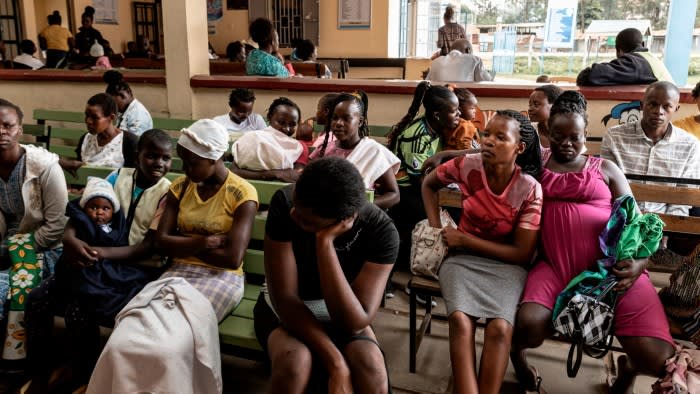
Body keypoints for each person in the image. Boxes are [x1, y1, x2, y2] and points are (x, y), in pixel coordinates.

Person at [511, 91, 674, 394]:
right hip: (555, 267)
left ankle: (628, 370)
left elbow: (639, 224)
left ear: (586, 133)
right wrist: (445, 157)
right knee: (529, 325)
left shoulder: (606, 170)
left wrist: (639, 263)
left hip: (612, 273)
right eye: (558, 135)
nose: (566, 143)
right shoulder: (536, 163)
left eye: (575, 136)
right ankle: (517, 357)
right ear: (548, 131)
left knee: (656, 357)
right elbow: (488, 153)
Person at [88, 119, 258, 393]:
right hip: (176, 273)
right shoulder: (180, 187)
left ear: (215, 158)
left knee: (169, 347)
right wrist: (203, 242)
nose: (185, 169)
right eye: (183, 161)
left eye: (192, 162)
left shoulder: (241, 193)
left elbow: (231, 259)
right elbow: (161, 242)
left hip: (220, 279)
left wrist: (182, 242)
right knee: (124, 338)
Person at [24, 129, 173, 392]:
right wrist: (70, 239)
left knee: (79, 308)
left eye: (165, 158)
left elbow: (149, 247)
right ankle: (40, 370)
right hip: (96, 262)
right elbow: (83, 212)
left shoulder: (168, 193)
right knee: (38, 299)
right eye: (151, 156)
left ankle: (85, 376)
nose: (158, 163)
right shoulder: (118, 177)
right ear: (137, 155)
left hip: (135, 271)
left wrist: (96, 252)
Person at [253, 157, 399, 394]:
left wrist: (324, 244)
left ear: (343, 220)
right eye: (296, 209)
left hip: (342, 309)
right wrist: (337, 364)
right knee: (295, 363)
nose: (294, 216)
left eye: (307, 221)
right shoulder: (286, 202)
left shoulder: (382, 232)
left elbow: (354, 322)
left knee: (372, 370)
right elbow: (286, 298)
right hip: (285, 307)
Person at [422, 110, 543, 394]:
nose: (488, 141)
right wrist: (435, 228)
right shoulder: (467, 165)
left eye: (500, 137)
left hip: (507, 265)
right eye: (486, 134)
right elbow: (429, 184)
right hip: (461, 262)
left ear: (519, 147)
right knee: (460, 321)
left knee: (500, 328)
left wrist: (465, 240)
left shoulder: (529, 189)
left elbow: (521, 254)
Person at [0, 99, 68, 367]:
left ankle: (15, 363)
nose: (1, 132)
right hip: (5, 244)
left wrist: (11, 250)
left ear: (19, 129)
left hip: (44, 247)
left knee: (5, 287)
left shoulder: (44, 168)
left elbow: (57, 226)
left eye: (8, 125)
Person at [386, 81, 462, 270]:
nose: (459, 114)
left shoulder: (436, 129)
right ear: (437, 115)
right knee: (436, 217)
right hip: (404, 190)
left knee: (461, 207)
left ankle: (443, 264)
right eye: (454, 111)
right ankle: (421, 267)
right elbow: (421, 181)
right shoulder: (417, 137)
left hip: (421, 186)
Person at [601, 81, 700, 217]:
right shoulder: (615, 137)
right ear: (642, 105)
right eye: (652, 104)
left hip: (665, 222)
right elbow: (608, 187)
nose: (658, 112)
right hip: (623, 217)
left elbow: (682, 199)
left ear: (676, 109)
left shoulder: (690, 145)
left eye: (667, 107)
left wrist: (665, 230)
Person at [310, 91, 400, 210]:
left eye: (346, 119)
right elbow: (309, 183)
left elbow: (394, 195)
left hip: (357, 214)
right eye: (335, 118)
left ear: (360, 122)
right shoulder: (323, 149)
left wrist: (362, 207)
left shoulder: (373, 151)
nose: (338, 123)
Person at [231, 97, 308, 182]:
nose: (287, 129)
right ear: (269, 117)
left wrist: (272, 174)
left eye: (292, 125)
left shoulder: (299, 147)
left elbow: (295, 176)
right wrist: (275, 174)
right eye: (281, 122)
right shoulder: (253, 138)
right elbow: (234, 171)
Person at [59, 93, 139, 174]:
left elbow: (130, 179)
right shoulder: (85, 140)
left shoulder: (128, 142)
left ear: (111, 118)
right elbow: (78, 175)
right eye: (87, 115)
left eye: (94, 117)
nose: (88, 121)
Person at [577, 28, 673, 86]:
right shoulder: (652, 59)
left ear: (619, 51)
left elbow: (590, 76)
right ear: (642, 44)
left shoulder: (634, 63)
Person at [103, 70, 153, 136]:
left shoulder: (138, 114)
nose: (113, 106)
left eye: (114, 102)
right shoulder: (125, 111)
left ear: (123, 95)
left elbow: (133, 143)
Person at [426, 39, 492, 82]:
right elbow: (487, 82)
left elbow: (426, 82)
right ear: (468, 50)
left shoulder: (436, 61)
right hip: (462, 100)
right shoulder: (475, 60)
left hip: (440, 101)